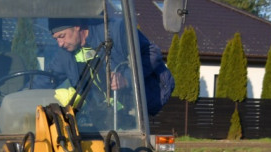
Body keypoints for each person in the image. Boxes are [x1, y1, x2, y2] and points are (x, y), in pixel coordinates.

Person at [39, 18, 174, 117]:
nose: (60, 44)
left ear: (77, 26)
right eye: (56, 39)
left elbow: (152, 53)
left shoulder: (115, 31)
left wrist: (127, 78)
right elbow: (46, 79)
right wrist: (20, 94)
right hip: (102, 115)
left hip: (134, 106)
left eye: (62, 36)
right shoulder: (65, 55)